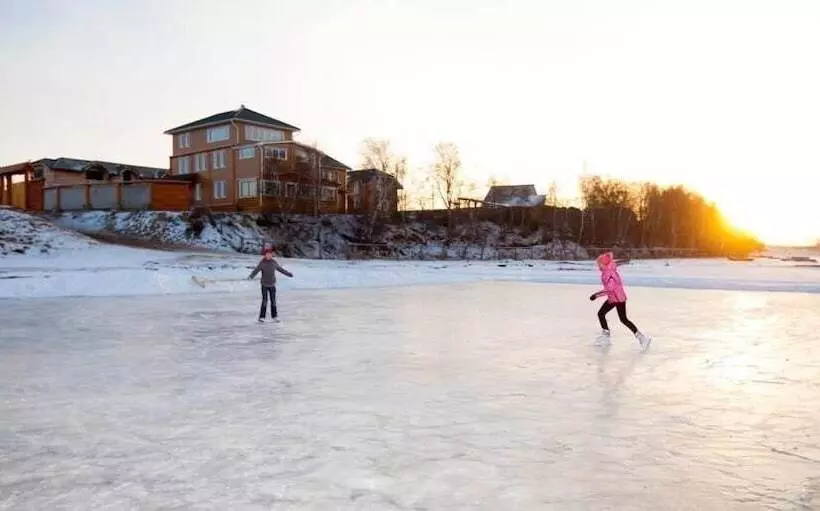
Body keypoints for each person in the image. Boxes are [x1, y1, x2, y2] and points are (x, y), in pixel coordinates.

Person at [589, 251, 651, 349]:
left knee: (607, 315)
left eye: (599, 263)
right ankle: (641, 338)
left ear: (603, 263)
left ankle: (641, 338)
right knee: (619, 318)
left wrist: (596, 295)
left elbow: (610, 289)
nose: (598, 266)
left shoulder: (608, 273)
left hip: (616, 298)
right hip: (616, 297)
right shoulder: (608, 271)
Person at [248, 249, 293, 322]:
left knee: (273, 301)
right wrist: (251, 276)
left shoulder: (274, 262)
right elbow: (256, 270)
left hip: (272, 284)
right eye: (267, 254)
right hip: (264, 284)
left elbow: (281, 269)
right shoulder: (262, 263)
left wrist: (288, 274)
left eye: (270, 254)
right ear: (265, 255)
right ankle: (262, 317)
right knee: (264, 301)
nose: (268, 256)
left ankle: (274, 316)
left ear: (272, 255)